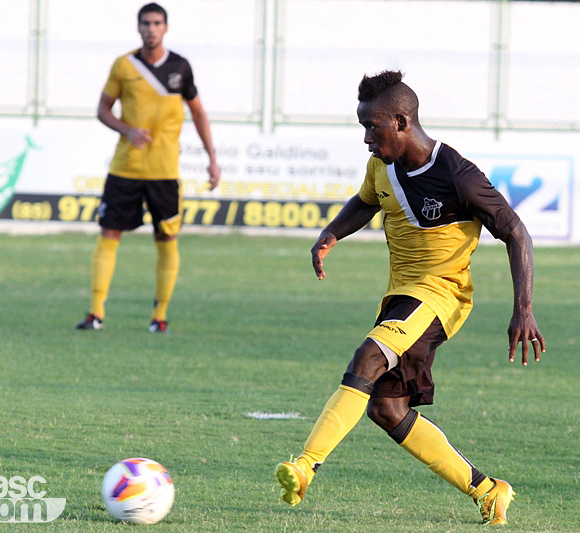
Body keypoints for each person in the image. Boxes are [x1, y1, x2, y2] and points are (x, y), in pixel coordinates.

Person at [274, 70, 545, 526]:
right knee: (387, 408)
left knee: (367, 357)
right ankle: (488, 491)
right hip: (401, 296)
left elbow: (516, 231)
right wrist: (332, 232)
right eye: (362, 127)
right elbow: (366, 201)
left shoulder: (457, 175)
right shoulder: (381, 163)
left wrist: (524, 309)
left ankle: (305, 467)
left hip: (441, 296)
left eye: (372, 127)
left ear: (401, 121)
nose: (365, 138)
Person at [76, 2, 220, 333]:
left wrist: (212, 158)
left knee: (166, 239)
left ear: (165, 28)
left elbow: (199, 113)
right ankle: (95, 312)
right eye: (146, 23)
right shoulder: (123, 66)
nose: (151, 28)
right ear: (138, 27)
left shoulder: (181, 67)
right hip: (125, 168)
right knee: (109, 233)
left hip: (164, 172)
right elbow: (102, 109)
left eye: (157, 23)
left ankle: (160, 316)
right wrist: (127, 130)